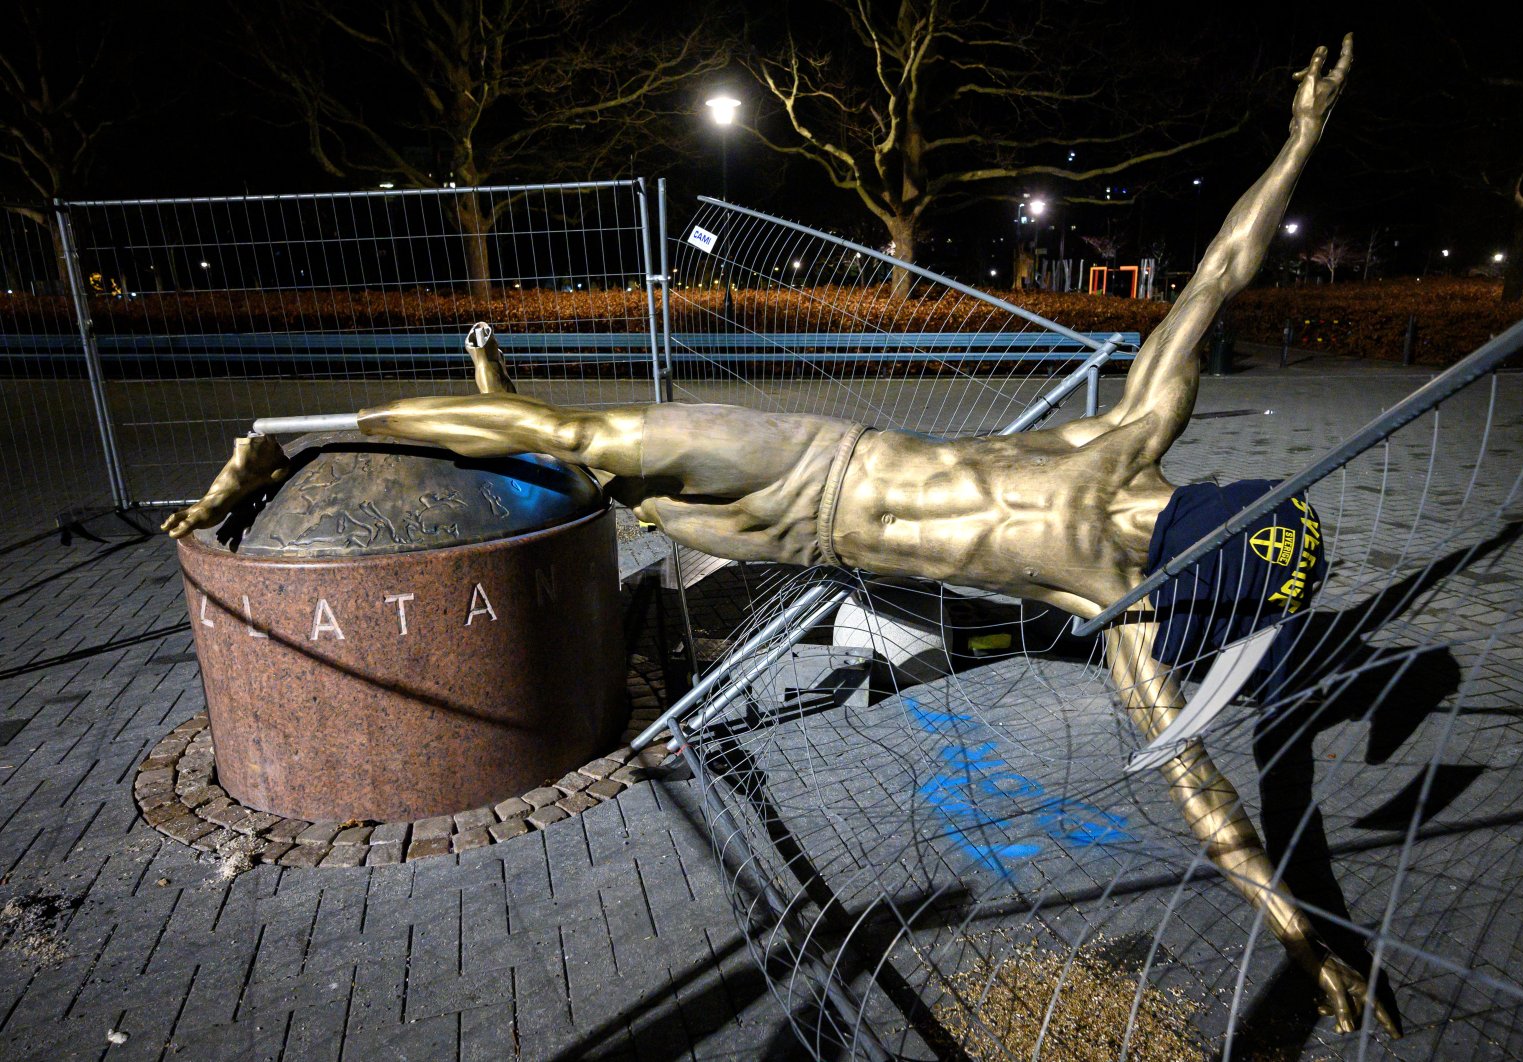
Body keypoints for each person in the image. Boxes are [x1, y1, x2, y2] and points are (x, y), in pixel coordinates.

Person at [163, 37, 1397, 1036]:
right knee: (581, 437)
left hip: (805, 538)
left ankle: (485, 405)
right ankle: (280, 445)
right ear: (1213, 542)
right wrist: (1300, 137)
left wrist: (1305, 941)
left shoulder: (1121, 602)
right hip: (815, 457)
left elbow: (1216, 801)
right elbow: (1219, 275)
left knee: (604, 489)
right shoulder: (1124, 466)